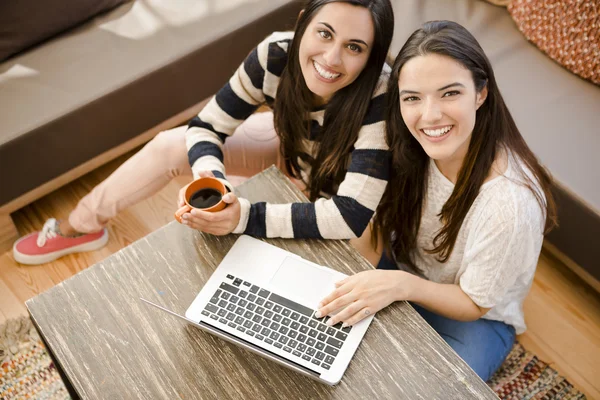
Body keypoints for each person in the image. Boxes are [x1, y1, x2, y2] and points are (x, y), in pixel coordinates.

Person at [13, 0, 394, 265]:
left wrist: (243, 216)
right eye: (324, 34)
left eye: (354, 47)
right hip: (293, 153)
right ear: (302, 24)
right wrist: (213, 180)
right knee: (170, 144)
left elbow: (349, 216)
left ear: (371, 57)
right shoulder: (275, 55)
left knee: (333, 290)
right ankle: (79, 227)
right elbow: (207, 126)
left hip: (359, 208)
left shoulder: (380, 93)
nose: (331, 59)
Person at [315, 20, 557, 381]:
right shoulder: (401, 136)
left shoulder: (510, 204)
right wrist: (359, 272)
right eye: (413, 97)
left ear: (481, 93)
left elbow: (473, 303)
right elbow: (371, 221)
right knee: (327, 339)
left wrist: (399, 285)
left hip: (472, 314)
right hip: (398, 266)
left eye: (450, 93)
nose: (429, 116)